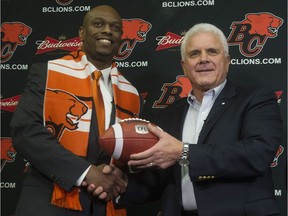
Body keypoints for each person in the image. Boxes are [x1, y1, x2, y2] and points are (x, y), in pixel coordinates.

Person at [118, 23, 283, 216]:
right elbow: (158, 183)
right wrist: (120, 183)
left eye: (212, 51)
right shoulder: (168, 114)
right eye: (194, 54)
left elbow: (257, 154)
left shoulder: (255, 99)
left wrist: (184, 152)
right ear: (184, 66)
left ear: (227, 61)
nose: (203, 59)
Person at [10, 5, 140, 216]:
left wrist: (120, 175)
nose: (107, 30)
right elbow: (25, 132)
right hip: (50, 202)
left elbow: (129, 152)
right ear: (82, 33)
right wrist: (85, 172)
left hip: (104, 206)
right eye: (99, 24)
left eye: (115, 27)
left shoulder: (130, 93)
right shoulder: (48, 73)